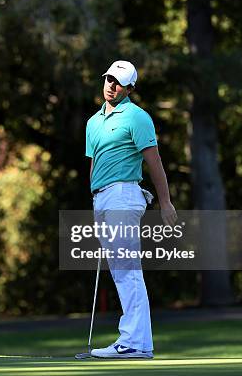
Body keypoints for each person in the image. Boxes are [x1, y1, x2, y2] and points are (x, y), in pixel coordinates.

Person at [85, 60, 177, 359]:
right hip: (102, 198)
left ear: (130, 88)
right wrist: (95, 202)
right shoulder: (93, 122)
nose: (111, 85)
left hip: (124, 195)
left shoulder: (137, 118)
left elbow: (154, 162)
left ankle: (134, 343)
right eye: (109, 79)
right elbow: (94, 163)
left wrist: (165, 202)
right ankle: (138, 343)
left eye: (119, 82)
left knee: (127, 270)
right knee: (122, 271)